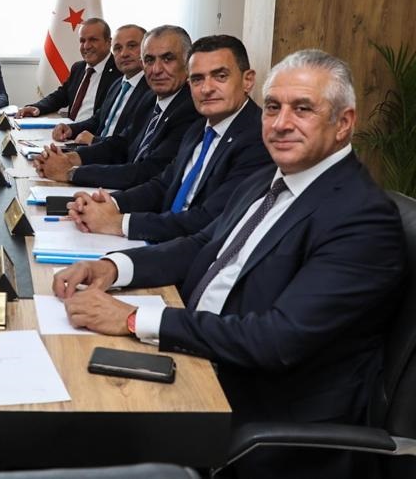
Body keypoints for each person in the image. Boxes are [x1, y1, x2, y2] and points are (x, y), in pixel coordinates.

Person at [53, 49, 406, 479]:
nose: (280, 123)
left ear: (344, 123)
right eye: (272, 107)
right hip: (200, 360)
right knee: (65, 390)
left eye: (302, 109)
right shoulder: (271, 179)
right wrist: (113, 267)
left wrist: (132, 319)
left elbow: (276, 339)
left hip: (256, 418)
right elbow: (203, 244)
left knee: (77, 437)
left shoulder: (362, 218)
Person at [69, 35, 271, 242]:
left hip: (195, 251)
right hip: (164, 237)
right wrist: (107, 203)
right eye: (197, 79)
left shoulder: (260, 138)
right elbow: (164, 185)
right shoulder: (200, 127)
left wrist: (119, 223)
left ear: (247, 81)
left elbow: (209, 220)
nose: (206, 88)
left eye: (220, 76)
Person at [35, 25, 200, 190]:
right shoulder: (150, 98)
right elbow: (121, 144)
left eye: (168, 59)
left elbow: (148, 171)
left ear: (188, 62)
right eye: (149, 60)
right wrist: (70, 158)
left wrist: (71, 173)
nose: (156, 69)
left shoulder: (191, 110)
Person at [51, 24, 149, 144]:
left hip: (107, 152)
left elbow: (131, 141)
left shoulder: (152, 91)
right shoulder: (118, 84)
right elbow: (98, 120)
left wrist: (94, 141)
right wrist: (71, 129)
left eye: (132, 46)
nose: (124, 53)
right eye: (118, 48)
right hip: (95, 148)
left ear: (147, 49)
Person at [17, 18, 120, 120]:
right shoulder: (78, 68)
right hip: (69, 128)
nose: (86, 46)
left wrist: (75, 129)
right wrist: (37, 108)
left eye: (93, 40)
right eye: (82, 41)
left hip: (93, 130)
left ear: (108, 42)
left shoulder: (119, 72)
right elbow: (61, 96)